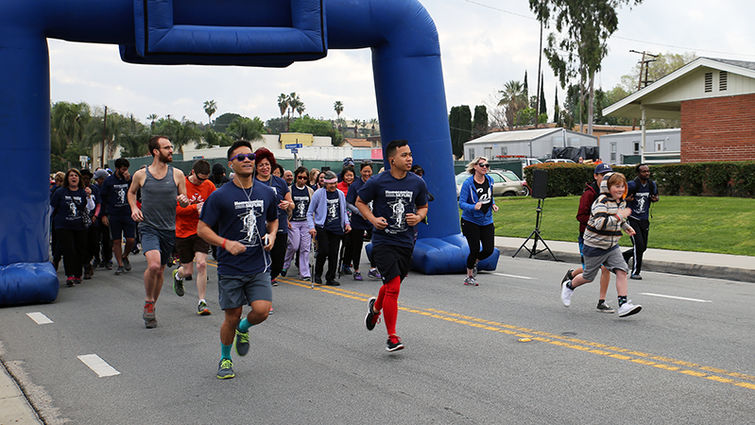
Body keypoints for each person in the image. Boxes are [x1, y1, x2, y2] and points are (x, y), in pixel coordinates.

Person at [197, 141, 278, 380]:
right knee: (231, 317)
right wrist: (225, 243)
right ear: (231, 163)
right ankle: (225, 358)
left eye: (250, 156)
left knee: (262, 311)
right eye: (240, 157)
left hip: (258, 264)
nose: (247, 160)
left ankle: (244, 329)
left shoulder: (266, 193)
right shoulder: (220, 196)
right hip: (231, 267)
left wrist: (272, 235)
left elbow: (273, 219)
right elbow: (202, 229)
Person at [358, 140, 428, 352]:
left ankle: (376, 307)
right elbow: (360, 202)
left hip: (406, 242)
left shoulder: (417, 183)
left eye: (410, 154)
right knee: (394, 288)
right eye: (404, 155)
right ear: (392, 160)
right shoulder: (378, 182)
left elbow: (423, 206)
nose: (409, 159)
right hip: (383, 242)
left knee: (392, 284)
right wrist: (372, 219)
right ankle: (392, 337)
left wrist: (418, 217)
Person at [560, 172, 642, 318]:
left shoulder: (620, 202)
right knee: (588, 277)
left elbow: (618, 218)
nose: (621, 189)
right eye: (617, 186)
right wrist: (619, 216)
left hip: (611, 246)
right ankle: (569, 285)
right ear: (607, 187)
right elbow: (600, 224)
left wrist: (625, 226)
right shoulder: (601, 202)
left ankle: (623, 305)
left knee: (622, 270)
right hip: (594, 246)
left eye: (622, 186)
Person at [128, 136, 190, 329]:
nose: (171, 150)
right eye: (167, 147)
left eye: (171, 147)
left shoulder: (178, 174)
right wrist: (134, 208)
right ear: (156, 151)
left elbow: (184, 198)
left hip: (169, 229)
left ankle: (152, 306)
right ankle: (148, 300)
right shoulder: (141, 175)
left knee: (161, 269)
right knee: (154, 266)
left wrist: (184, 200)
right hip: (148, 227)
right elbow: (131, 193)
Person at [562, 163, 615, 313]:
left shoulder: (611, 193)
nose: (606, 178)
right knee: (589, 271)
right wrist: (598, 222)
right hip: (588, 238)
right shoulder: (590, 194)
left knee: (605, 268)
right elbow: (580, 216)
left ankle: (602, 301)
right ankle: (571, 276)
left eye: (609, 174)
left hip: (605, 237)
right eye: (603, 175)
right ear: (595, 176)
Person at [172, 159, 217, 315]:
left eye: (205, 179)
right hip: (183, 231)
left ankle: (202, 302)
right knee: (188, 270)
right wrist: (194, 208)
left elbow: (214, 205)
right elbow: (175, 210)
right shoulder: (181, 184)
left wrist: (207, 211)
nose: (202, 182)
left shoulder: (209, 186)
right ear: (192, 172)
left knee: (202, 264)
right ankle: (178, 276)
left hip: (201, 230)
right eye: (199, 179)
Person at [253, 148, 293, 285]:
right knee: (260, 256)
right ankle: (261, 282)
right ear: (256, 167)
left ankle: (271, 275)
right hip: (258, 226)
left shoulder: (280, 182)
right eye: (261, 165)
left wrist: (288, 204)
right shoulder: (251, 182)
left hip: (280, 224)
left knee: (278, 259)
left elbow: (292, 204)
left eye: (267, 164)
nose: (265, 168)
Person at [458, 157, 499, 286]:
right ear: (475, 166)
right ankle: (469, 276)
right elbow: (461, 203)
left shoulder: (490, 180)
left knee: (489, 250)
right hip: (470, 221)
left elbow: (489, 196)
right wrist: (473, 207)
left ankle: (474, 261)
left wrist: (493, 205)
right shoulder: (468, 183)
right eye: (482, 165)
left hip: (487, 220)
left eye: (487, 165)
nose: (485, 167)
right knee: (474, 248)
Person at [50, 168, 93, 286]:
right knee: (69, 250)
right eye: (71, 176)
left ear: (79, 179)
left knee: (80, 250)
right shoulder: (60, 192)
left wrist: (89, 196)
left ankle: (78, 274)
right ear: (67, 179)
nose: (73, 178)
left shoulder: (83, 192)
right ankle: (70, 275)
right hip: (63, 225)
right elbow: (52, 207)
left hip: (79, 225)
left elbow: (90, 208)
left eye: (76, 176)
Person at [307, 171, 351, 285]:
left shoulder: (340, 194)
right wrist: (312, 227)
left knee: (334, 254)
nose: (333, 185)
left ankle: (330, 277)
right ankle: (317, 274)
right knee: (323, 251)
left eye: (335, 183)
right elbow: (309, 212)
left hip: (337, 227)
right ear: (325, 183)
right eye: (331, 183)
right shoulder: (318, 194)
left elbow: (343, 211)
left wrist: (347, 223)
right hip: (323, 227)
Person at [622, 163, 659, 280]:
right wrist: (625, 199)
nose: (647, 173)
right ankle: (635, 272)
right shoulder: (632, 185)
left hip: (644, 219)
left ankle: (625, 255)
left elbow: (655, 196)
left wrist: (655, 199)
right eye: (644, 171)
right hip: (632, 219)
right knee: (638, 245)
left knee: (643, 247)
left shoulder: (651, 184)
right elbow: (618, 197)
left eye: (648, 171)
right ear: (638, 173)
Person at [345, 162, 380, 281]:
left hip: (372, 220)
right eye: (365, 171)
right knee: (357, 246)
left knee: (375, 244)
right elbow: (348, 203)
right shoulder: (355, 185)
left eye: (369, 171)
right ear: (360, 172)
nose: (367, 173)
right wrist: (361, 212)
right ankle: (356, 270)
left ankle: (373, 269)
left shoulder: (375, 184)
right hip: (358, 220)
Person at [101, 158, 136, 275]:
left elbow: (137, 192)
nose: (125, 171)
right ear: (117, 169)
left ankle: (125, 255)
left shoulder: (130, 179)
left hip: (128, 213)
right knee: (116, 240)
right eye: (123, 169)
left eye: (126, 169)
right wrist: (104, 214)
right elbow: (103, 199)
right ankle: (120, 264)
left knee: (131, 239)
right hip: (114, 214)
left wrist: (129, 180)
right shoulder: (109, 181)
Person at [282, 166, 314, 281]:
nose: (302, 180)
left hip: (305, 222)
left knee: (305, 248)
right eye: (299, 177)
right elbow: (284, 206)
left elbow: (312, 208)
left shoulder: (310, 191)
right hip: (293, 222)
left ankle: (305, 273)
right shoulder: (289, 190)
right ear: (296, 177)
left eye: (304, 178)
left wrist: (312, 224)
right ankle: (285, 265)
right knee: (294, 245)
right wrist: (286, 219)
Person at [79, 169, 101, 280]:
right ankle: (86, 266)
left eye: (88, 178)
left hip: (92, 221)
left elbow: (98, 204)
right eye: (83, 178)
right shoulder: (77, 189)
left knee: (94, 245)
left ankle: (92, 258)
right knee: (83, 245)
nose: (86, 180)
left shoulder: (94, 189)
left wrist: (95, 216)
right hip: (81, 222)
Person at [337, 165, 356, 274]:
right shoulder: (338, 186)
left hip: (353, 219)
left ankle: (346, 264)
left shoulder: (355, 187)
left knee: (350, 243)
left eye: (351, 175)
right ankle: (338, 263)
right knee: (341, 243)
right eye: (347, 175)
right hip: (340, 218)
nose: (349, 178)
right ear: (343, 176)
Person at [93, 169, 113, 270]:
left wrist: (105, 214)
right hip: (96, 216)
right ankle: (97, 258)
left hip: (106, 215)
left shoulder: (109, 188)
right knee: (95, 240)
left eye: (100, 179)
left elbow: (107, 202)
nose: (98, 181)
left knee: (107, 239)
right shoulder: (95, 188)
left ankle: (107, 259)